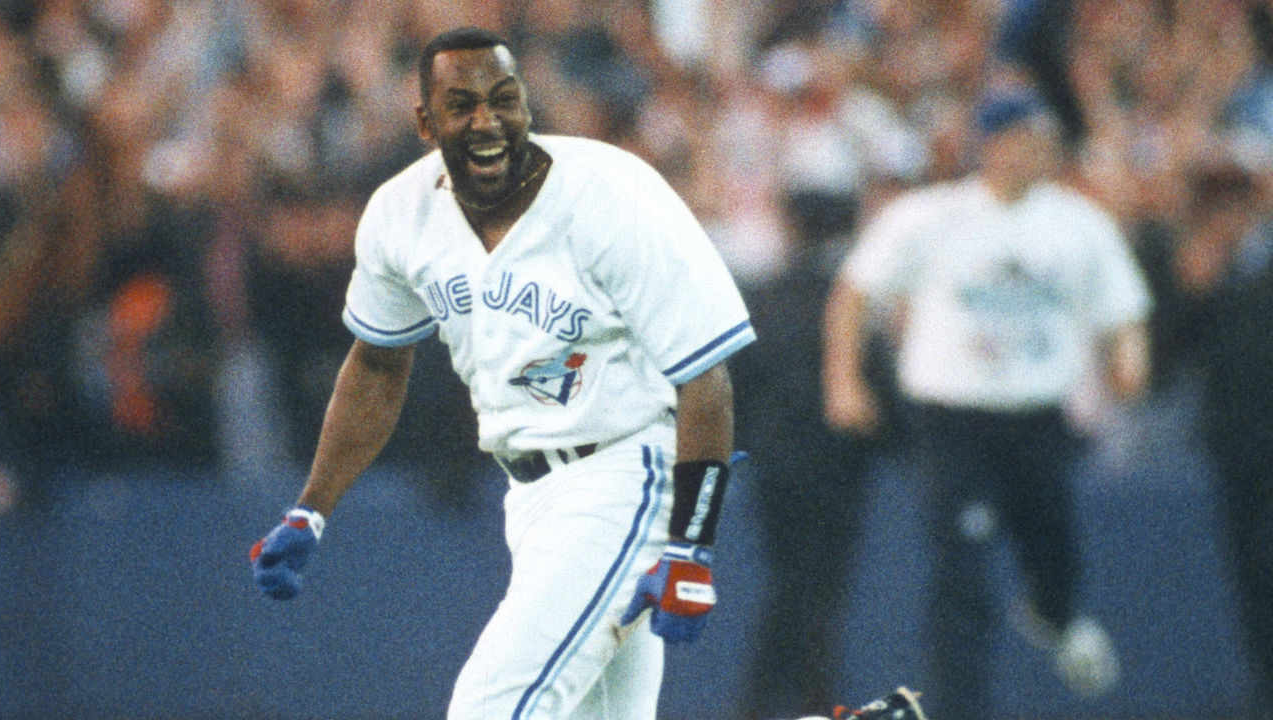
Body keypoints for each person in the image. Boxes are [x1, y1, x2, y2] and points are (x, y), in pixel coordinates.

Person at [247, 26, 756, 720]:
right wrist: (312, 507)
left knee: (491, 709)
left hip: (623, 475)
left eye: (505, 100)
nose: (487, 121)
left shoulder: (611, 192)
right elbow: (375, 362)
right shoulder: (401, 213)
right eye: (463, 105)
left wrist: (691, 547)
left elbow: (706, 377)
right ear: (426, 122)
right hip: (528, 496)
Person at [821, 88, 1152, 719]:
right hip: (954, 420)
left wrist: (1130, 361)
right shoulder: (933, 216)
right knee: (963, 569)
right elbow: (856, 290)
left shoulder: (1077, 220)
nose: (1042, 150)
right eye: (1028, 136)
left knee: (1056, 550)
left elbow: (1122, 306)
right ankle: (959, 708)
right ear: (993, 144)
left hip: (1038, 416)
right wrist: (843, 378)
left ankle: (1054, 611)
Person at [1169, 161, 1273, 712]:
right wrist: (1192, 291)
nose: (1227, 216)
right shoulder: (1194, 268)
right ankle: (1264, 690)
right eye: (1216, 205)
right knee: (1254, 572)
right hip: (1237, 447)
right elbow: (1166, 357)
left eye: (1237, 202)